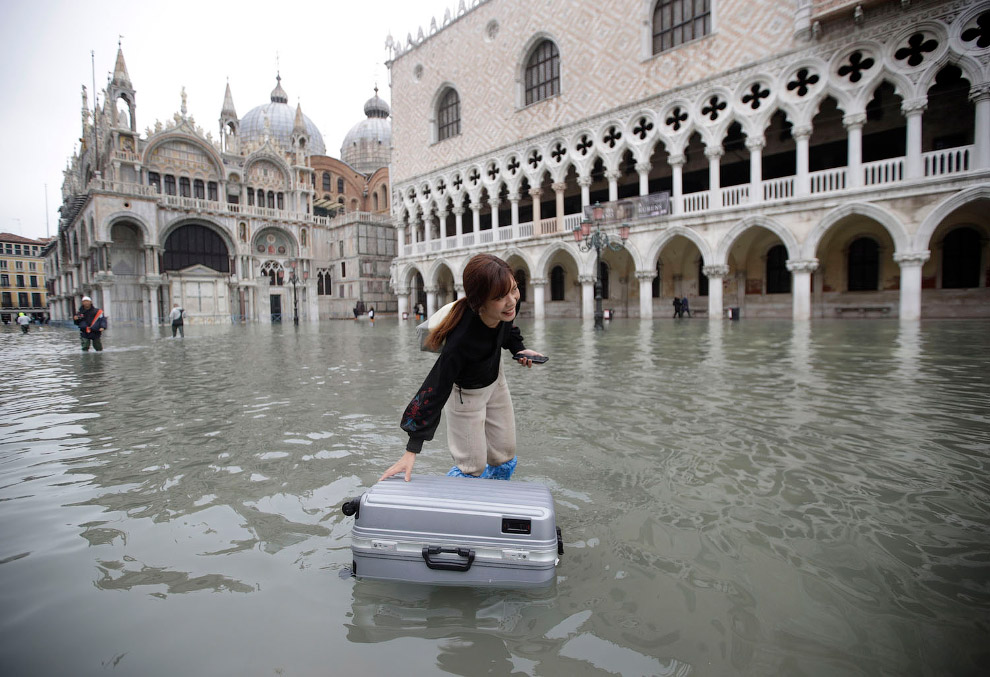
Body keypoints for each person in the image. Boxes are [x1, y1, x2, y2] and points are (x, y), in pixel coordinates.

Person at [380, 254, 545, 483]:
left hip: (495, 381)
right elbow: (435, 389)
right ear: (480, 302)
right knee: (472, 467)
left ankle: (495, 499)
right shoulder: (461, 342)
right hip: (465, 397)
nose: (512, 300)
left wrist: (519, 350)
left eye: (514, 289)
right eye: (500, 296)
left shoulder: (502, 312)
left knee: (505, 455)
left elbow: (507, 331)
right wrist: (411, 449)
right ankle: (459, 504)